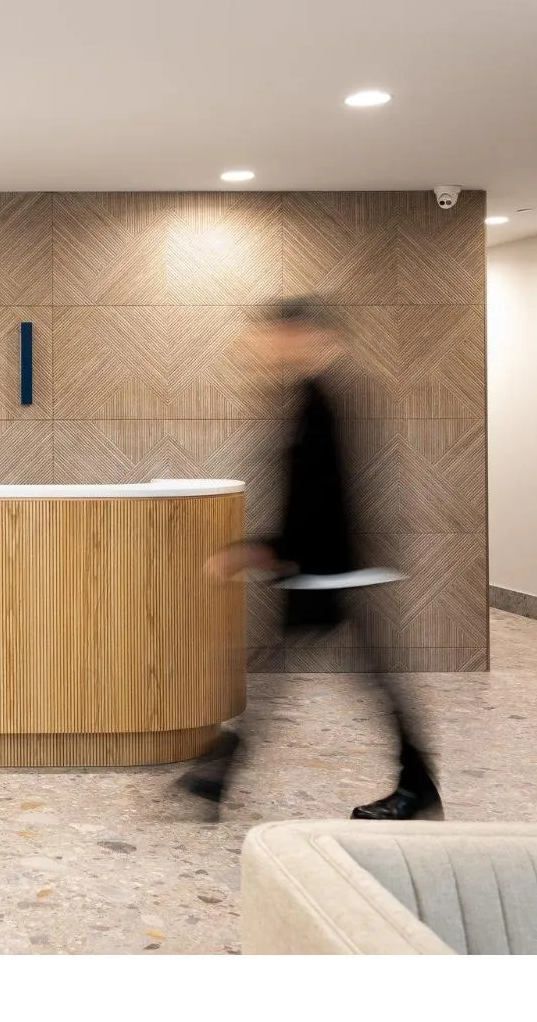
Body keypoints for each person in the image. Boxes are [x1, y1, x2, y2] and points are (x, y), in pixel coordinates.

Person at [177, 296, 441, 822]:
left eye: (273, 336)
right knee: (310, 676)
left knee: (323, 678)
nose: (263, 347)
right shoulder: (309, 395)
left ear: (302, 335)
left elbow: (322, 496)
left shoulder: (322, 399)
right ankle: (218, 776)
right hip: (324, 568)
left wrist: (263, 549)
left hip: (331, 570)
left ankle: (219, 775)